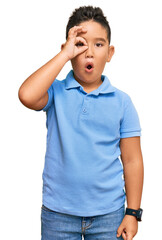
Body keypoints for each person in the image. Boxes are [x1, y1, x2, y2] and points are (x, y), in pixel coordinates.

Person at [18, 6, 144, 240]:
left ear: (110, 52)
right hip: (58, 215)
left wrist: (132, 213)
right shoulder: (55, 92)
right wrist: (65, 54)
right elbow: (26, 95)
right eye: (80, 44)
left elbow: (132, 160)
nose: (89, 52)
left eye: (98, 44)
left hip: (109, 215)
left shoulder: (122, 102)